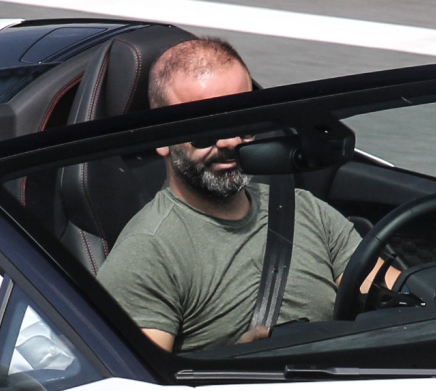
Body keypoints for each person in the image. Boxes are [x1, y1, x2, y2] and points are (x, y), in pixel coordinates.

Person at [95, 38, 378, 353]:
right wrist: (236, 360)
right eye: (206, 126)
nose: (230, 141)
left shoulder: (306, 210)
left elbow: (396, 302)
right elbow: (139, 386)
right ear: (161, 137)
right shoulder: (148, 252)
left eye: (241, 121)